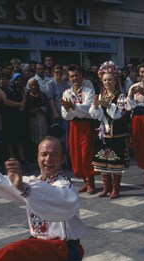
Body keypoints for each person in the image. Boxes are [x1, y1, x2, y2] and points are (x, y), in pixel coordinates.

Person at [90, 61, 129, 199]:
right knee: (103, 160)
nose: (107, 82)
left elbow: (118, 114)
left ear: (115, 80)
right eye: (105, 79)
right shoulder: (100, 96)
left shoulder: (121, 96)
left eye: (110, 79)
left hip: (117, 133)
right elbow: (96, 115)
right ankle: (106, 187)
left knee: (116, 161)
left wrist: (107, 105)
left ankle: (115, 188)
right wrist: (95, 107)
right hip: (103, 133)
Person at [61, 65, 97, 194]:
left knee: (86, 153)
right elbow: (65, 115)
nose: (74, 78)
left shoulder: (88, 90)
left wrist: (72, 107)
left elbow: (87, 109)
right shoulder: (66, 93)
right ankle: (85, 181)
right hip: (73, 126)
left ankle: (90, 181)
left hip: (85, 125)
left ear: (81, 76)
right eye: (71, 76)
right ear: (68, 78)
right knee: (76, 154)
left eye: (76, 75)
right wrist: (70, 108)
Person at [0, 72, 28, 164]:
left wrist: (23, 104)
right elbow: (5, 101)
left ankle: (22, 157)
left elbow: (22, 96)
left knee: (19, 137)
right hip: (7, 116)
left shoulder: (14, 88)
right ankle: (13, 158)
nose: (4, 81)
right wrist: (19, 104)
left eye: (6, 78)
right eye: (2, 79)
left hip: (18, 115)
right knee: (9, 138)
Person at [26, 78, 50, 150]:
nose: (33, 87)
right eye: (32, 85)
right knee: (33, 135)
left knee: (42, 136)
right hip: (31, 118)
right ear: (29, 86)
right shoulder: (26, 95)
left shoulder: (42, 95)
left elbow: (46, 107)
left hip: (41, 117)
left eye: (35, 85)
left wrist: (38, 109)